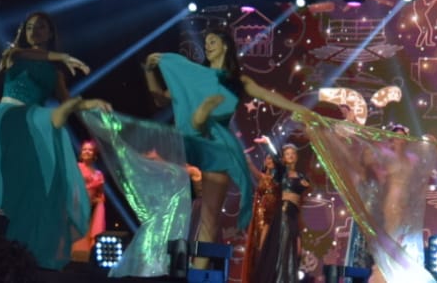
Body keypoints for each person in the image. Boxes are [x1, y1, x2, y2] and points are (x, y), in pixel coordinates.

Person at [144, 29, 308, 265]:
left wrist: (303, 110)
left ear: (225, 46)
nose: (207, 45)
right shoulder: (196, 77)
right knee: (182, 204)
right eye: (206, 42)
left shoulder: (238, 82)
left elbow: (269, 96)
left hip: (216, 145)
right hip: (191, 138)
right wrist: (150, 71)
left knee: (210, 218)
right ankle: (199, 119)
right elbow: (160, 99)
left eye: (213, 41)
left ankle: (197, 273)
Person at [0, 11, 110, 270]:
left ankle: (26, 252)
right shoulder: (14, 54)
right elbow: (28, 55)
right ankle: (4, 252)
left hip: (35, 126)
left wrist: (92, 103)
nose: (35, 31)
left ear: (51, 32)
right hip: (11, 119)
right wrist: (61, 57)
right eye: (30, 27)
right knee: (13, 187)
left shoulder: (55, 72)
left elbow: (67, 101)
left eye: (41, 27)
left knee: (37, 188)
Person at [244, 143, 311, 283]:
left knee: (294, 248)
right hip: (283, 213)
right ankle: (280, 279)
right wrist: (268, 143)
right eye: (287, 154)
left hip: (293, 214)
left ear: (297, 157)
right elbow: (274, 159)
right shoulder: (281, 174)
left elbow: (306, 188)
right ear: (283, 158)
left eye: (293, 153)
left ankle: (286, 278)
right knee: (284, 245)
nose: (290, 156)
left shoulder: (301, 176)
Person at [70, 139, 108, 262]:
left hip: (89, 211)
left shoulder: (98, 174)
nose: (87, 151)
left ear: (94, 154)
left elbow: (100, 195)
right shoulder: (76, 167)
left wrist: (97, 201)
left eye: (90, 150)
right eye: (84, 149)